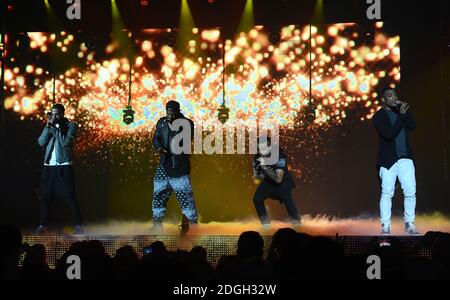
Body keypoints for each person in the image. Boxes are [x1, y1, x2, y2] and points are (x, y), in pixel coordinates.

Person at [372, 87, 419, 235]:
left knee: (411, 192)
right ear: (383, 99)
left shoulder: (401, 112)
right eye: (390, 96)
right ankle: (385, 226)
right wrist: (401, 116)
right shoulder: (378, 116)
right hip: (388, 160)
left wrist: (405, 111)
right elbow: (389, 134)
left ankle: (409, 224)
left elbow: (412, 126)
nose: (393, 98)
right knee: (387, 192)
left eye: (395, 96)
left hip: (405, 158)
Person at [150, 100, 198, 233]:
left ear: (178, 111)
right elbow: (156, 138)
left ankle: (193, 225)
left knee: (185, 196)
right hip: (164, 163)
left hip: (179, 165)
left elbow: (185, 140)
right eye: (168, 113)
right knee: (158, 194)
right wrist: (159, 148)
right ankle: (157, 224)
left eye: (173, 114)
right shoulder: (161, 122)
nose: (170, 116)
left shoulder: (187, 123)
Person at [35, 103, 82, 234]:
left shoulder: (70, 126)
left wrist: (55, 128)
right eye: (53, 114)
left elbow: (65, 143)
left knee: (69, 195)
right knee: (45, 196)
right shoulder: (50, 125)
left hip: (64, 165)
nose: (54, 116)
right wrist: (47, 126)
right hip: (48, 166)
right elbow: (41, 142)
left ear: (62, 114)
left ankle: (78, 224)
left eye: (57, 114)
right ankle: (42, 225)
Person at [252, 137, 301, 227]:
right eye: (258, 149)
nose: (260, 152)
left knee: (286, 198)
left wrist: (264, 167)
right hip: (269, 182)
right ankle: (265, 224)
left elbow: (278, 179)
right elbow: (257, 177)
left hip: (283, 182)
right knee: (257, 199)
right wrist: (257, 171)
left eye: (263, 149)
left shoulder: (280, 156)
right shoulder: (257, 157)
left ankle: (297, 222)